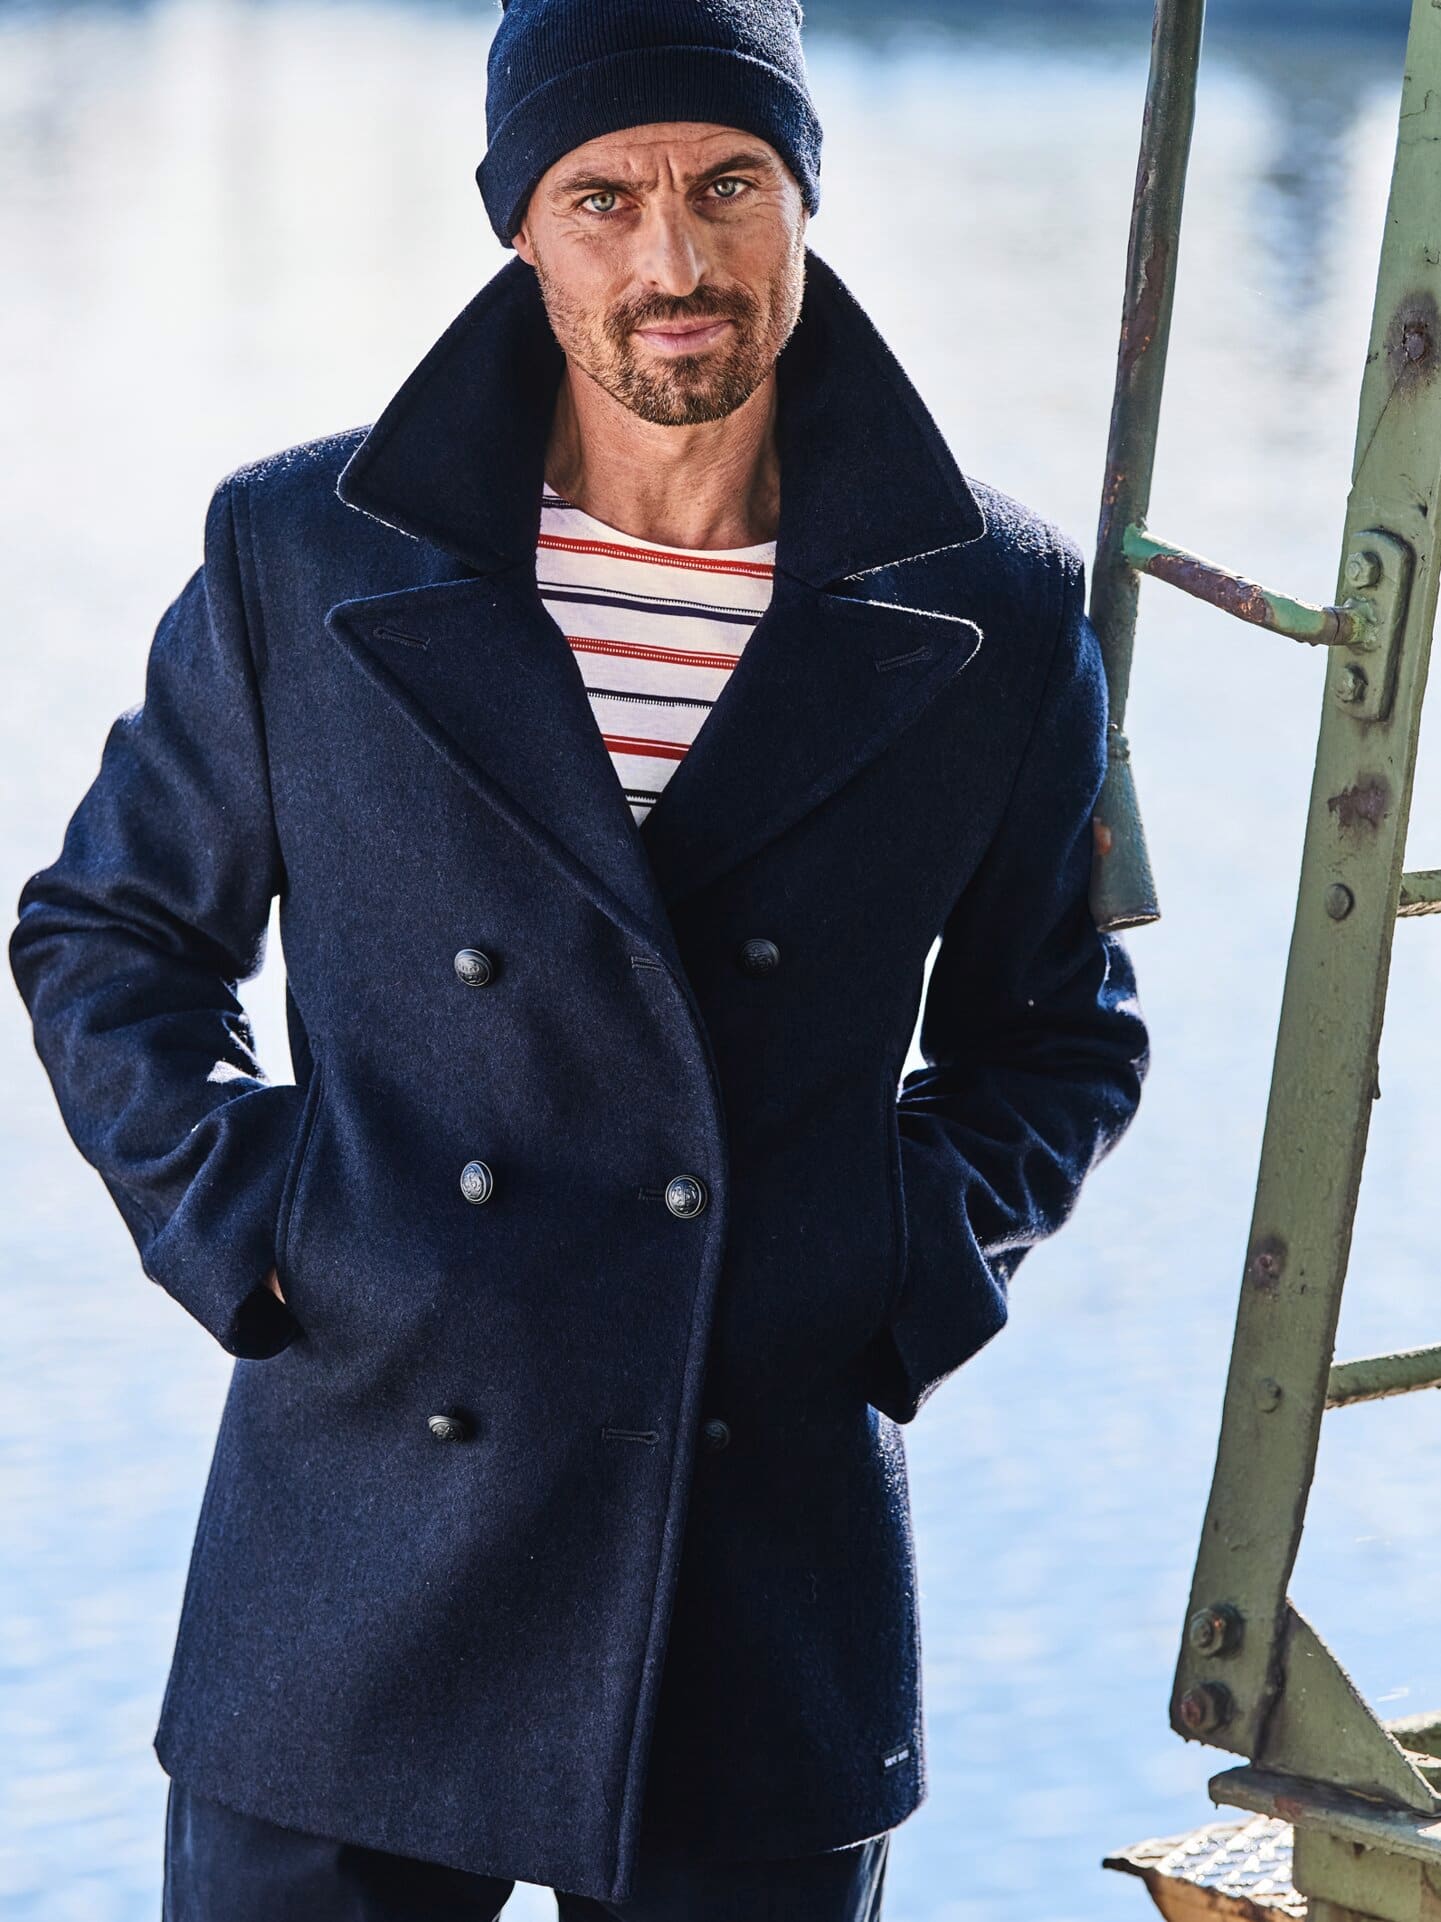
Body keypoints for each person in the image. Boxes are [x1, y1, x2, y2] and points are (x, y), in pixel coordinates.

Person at [9, 0, 1150, 1916]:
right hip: (361, 1550)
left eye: (728, 185)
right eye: (602, 198)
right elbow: (109, 931)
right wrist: (264, 1219)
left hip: (757, 1549)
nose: (673, 259)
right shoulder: (309, 549)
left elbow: (1056, 1031)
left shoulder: (995, 604)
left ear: (803, 197)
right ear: (519, 227)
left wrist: (887, 1268)